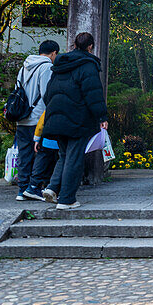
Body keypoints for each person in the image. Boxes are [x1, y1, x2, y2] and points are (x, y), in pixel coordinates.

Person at [41, 32, 108, 210]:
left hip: (55, 119)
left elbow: (48, 95)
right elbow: (93, 95)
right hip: (77, 120)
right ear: (90, 46)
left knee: (64, 155)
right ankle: (67, 199)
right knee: (74, 158)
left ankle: (53, 188)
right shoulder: (88, 65)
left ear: (74, 44)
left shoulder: (60, 64)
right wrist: (102, 117)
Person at [14, 40, 58, 201]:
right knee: (41, 152)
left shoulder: (24, 66)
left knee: (24, 153)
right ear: (53, 53)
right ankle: (34, 187)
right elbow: (47, 94)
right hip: (38, 118)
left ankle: (22, 190)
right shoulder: (46, 67)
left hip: (22, 117)